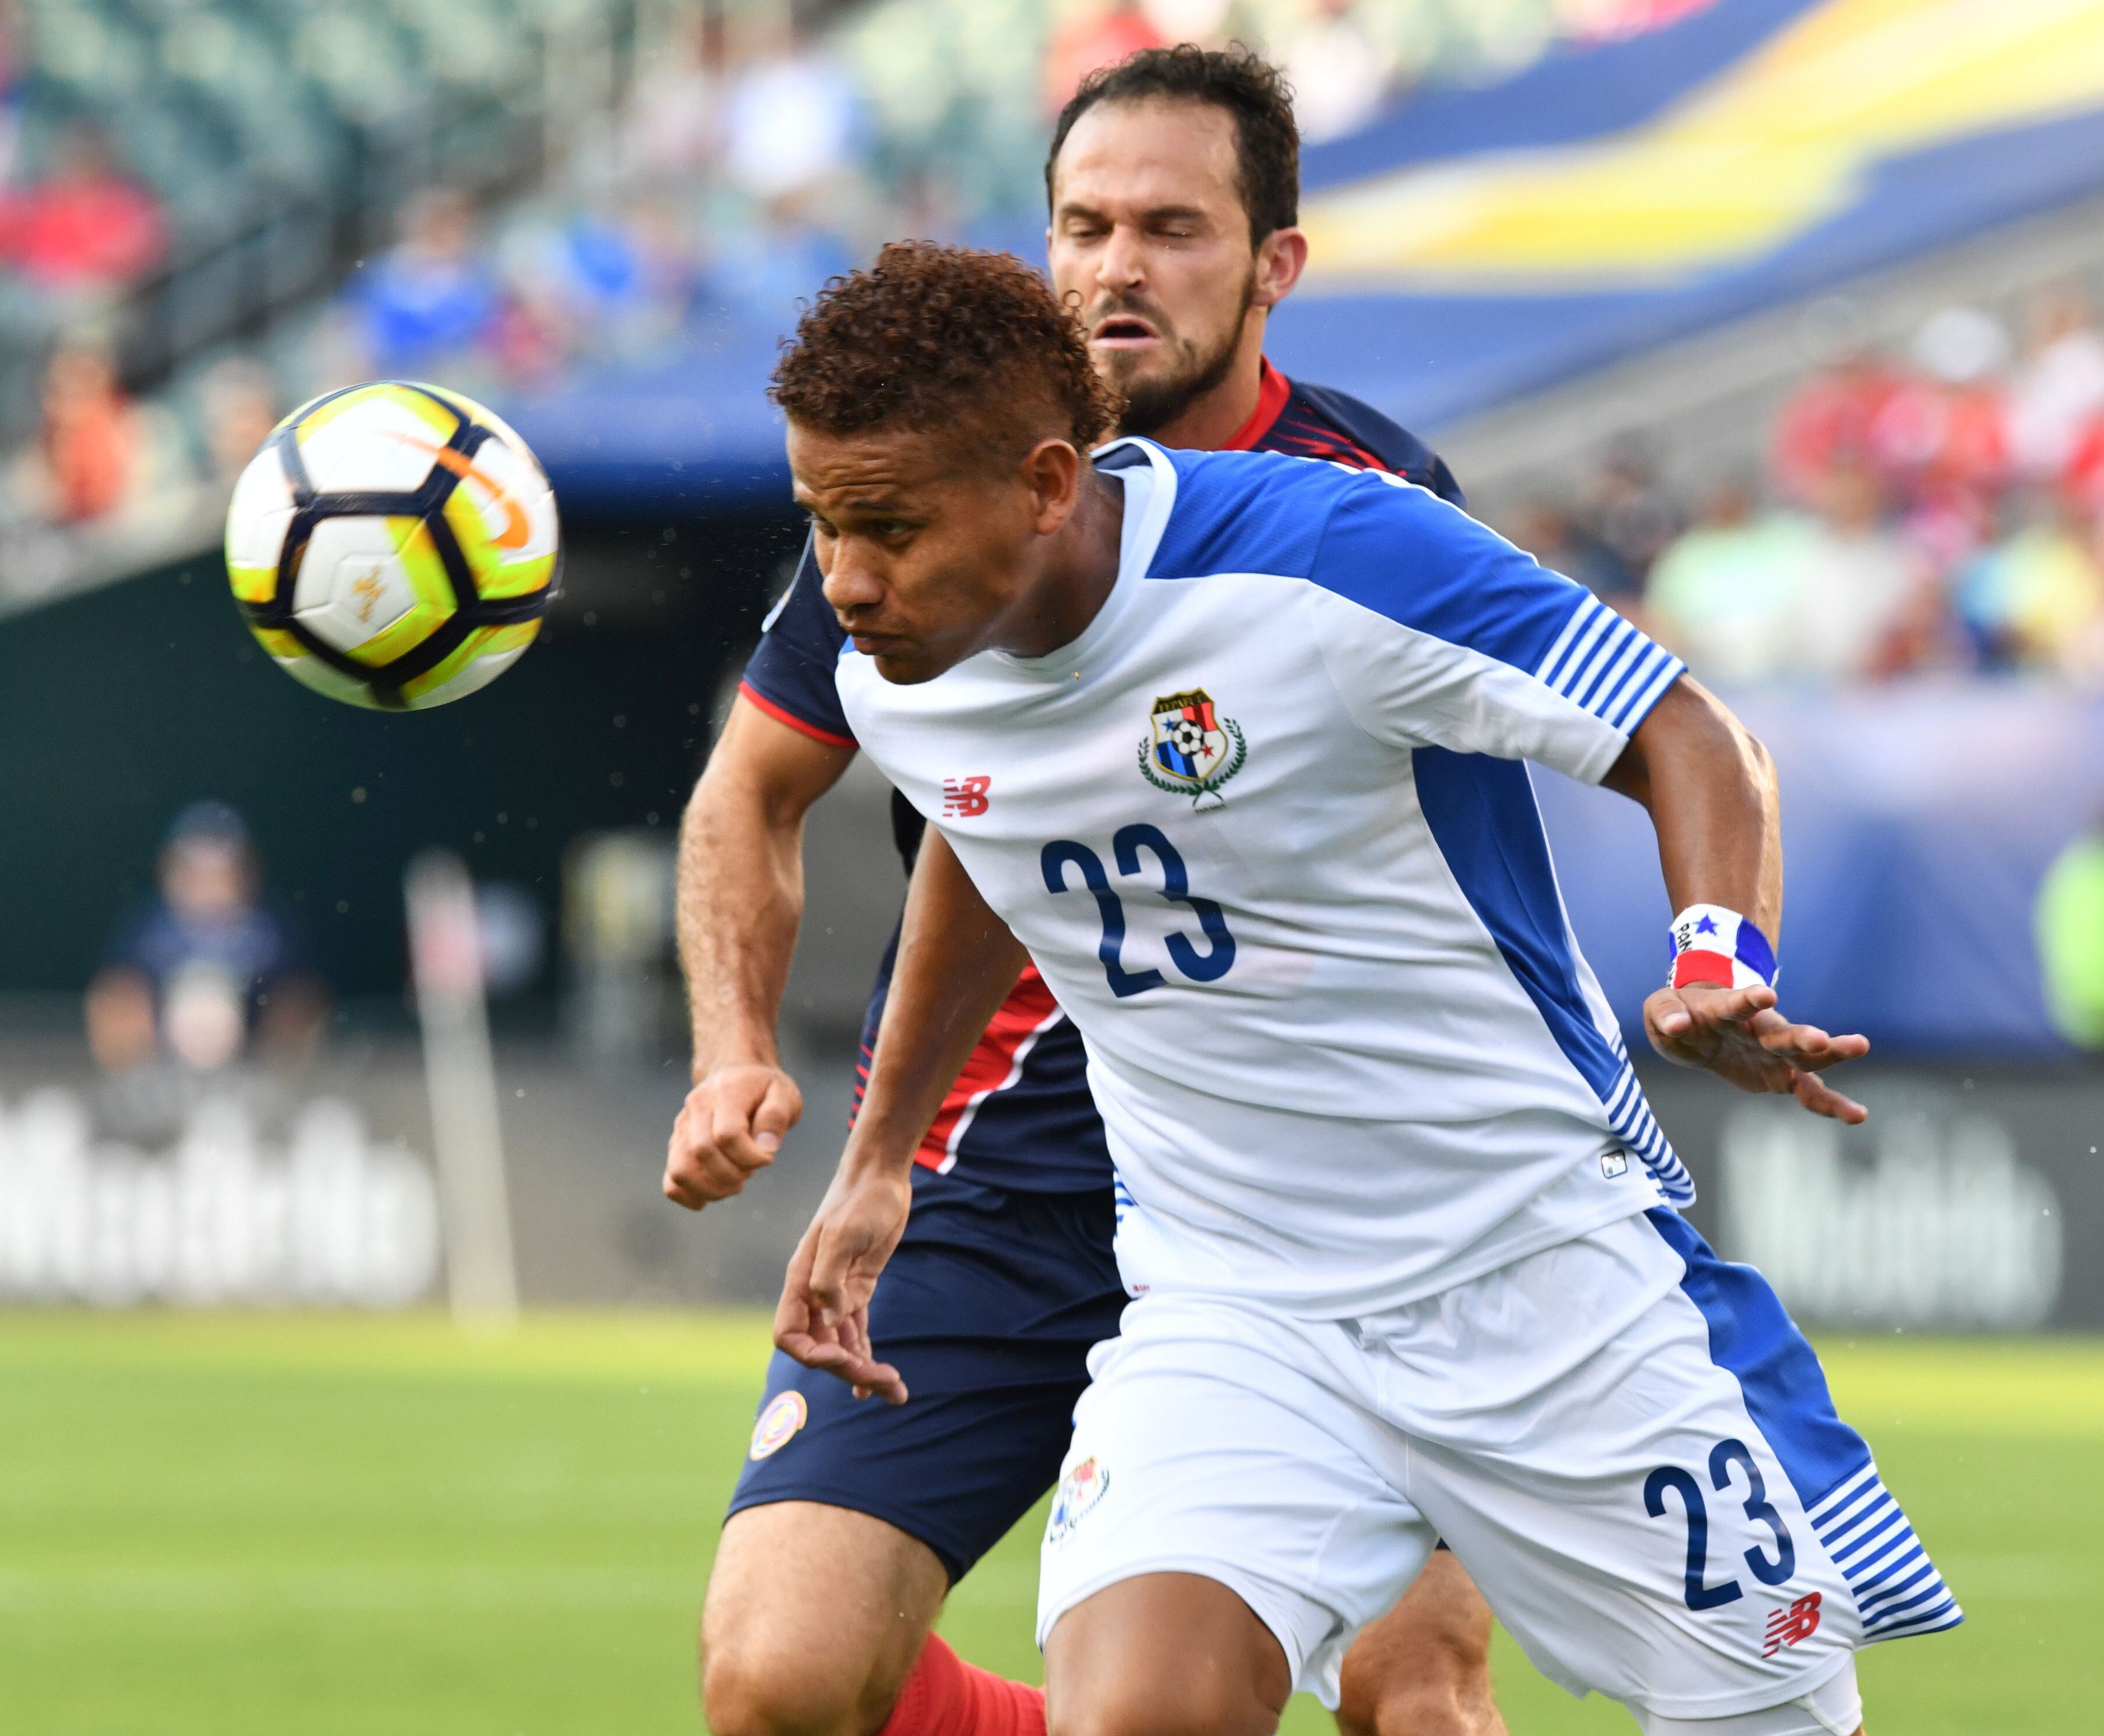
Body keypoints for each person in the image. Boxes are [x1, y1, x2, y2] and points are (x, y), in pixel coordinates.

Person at [769, 242, 1959, 1736]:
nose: (846, 581)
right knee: (1134, 1715)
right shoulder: (900, 665)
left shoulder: (1329, 555)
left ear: (1049, 484)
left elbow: (1688, 728)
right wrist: (880, 1160)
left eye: (887, 527)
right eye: (820, 522)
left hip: (1537, 1275)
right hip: (1233, 1304)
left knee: (1749, 1715)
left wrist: (1717, 953)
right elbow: (983, 828)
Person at [665, 45, 1497, 1736]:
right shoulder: (924, 501)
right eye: (1084, 225)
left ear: (1274, 263)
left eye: (1172, 229)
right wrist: (733, 1045)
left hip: (1323, 1179)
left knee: (1413, 1691)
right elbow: (750, 790)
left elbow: (1479, 864)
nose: (1118, 268)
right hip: (1003, 1171)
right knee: (781, 1678)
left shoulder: (1371, 509)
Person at [87, 802, 327, 1075]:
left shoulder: (270, 932)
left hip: (251, 1056)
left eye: (220, 873)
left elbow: (303, 996)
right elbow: (114, 993)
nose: (209, 886)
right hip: (162, 1056)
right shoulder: (147, 930)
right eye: (196, 872)